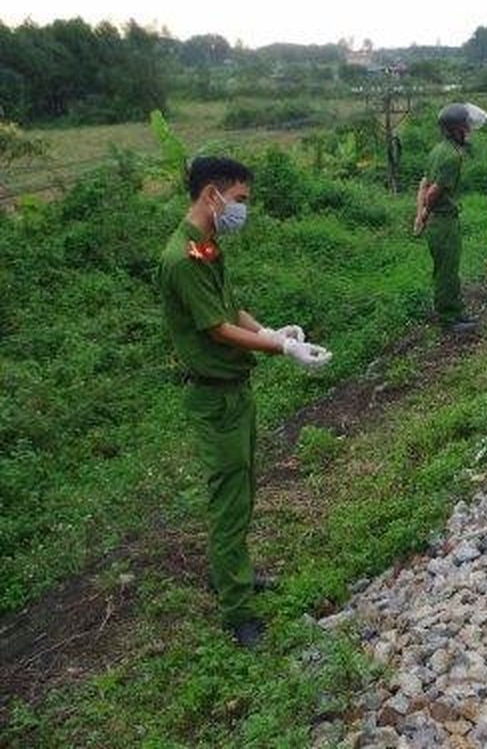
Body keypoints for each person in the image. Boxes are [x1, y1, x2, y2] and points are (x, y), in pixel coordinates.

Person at [158, 156, 332, 648]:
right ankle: (236, 611)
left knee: (243, 489)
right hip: (214, 399)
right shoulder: (182, 258)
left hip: (234, 391)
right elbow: (215, 328)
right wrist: (282, 348)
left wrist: (269, 331)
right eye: (240, 200)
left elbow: (229, 308)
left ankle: (230, 571)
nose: (243, 210)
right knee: (228, 500)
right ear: (212, 195)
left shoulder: (206, 246)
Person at [414, 103, 487, 332]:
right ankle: (449, 319)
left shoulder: (438, 150)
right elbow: (434, 191)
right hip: (444, 221)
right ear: (457, 130)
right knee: (447, 271)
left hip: (438, 221)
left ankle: (454, 310)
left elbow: (423, 183)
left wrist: (420, 216)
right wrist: (425, 212)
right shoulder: (453, 157)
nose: (469, 132)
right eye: (466, 128)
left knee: (445, 269)